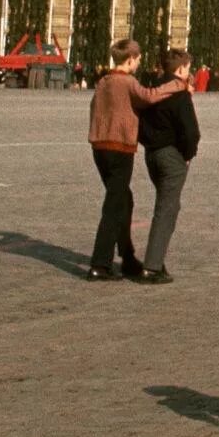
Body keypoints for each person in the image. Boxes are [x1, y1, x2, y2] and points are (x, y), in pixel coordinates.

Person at [85, 38, 187, 280]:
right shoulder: (127, 82)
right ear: (130, 59)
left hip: (99, 147)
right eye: (138, 59)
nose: (139, 63)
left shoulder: (103, 82)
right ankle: (100, 264)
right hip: (119, 148)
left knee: (124, 200)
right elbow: (150, 96)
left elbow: (94, 109)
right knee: (114, 205)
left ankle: (128, 256)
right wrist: (177, 85)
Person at [137, 47, 203, 284]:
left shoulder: (152, 89)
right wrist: (187, 155)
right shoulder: (179, 93)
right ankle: (152, 266)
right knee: (166, 209)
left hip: (151, 154)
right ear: (181, 68)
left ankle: (157, 260)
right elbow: (191, 132)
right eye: (188, 68)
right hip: (171, 156)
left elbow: (140, 123)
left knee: (168, 207)